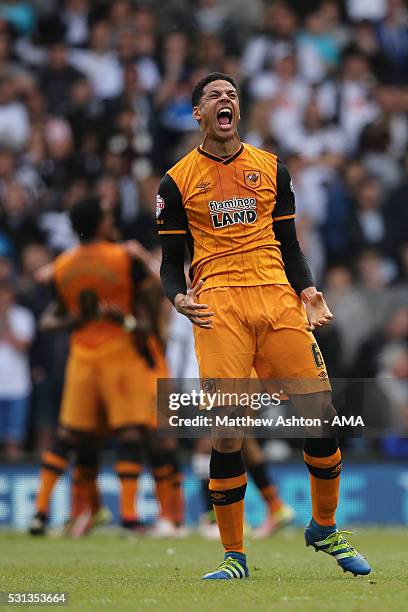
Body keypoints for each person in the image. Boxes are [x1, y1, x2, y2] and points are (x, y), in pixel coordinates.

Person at [157, 72, 371, 580]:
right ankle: (234, 556)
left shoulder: (272, 168)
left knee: (320, 414)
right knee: (228, 432)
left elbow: (290, 245)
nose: (226, 99)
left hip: (277, 299)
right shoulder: (176, 181)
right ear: (198, 114)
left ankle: (324, 527)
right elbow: (170, 263)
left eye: (231, 93)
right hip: (219, 308)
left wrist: (309, 289)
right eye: (215, 95)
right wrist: (178, 297)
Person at [29, 196, 161, 535]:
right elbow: (154, 297)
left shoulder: (63, 265)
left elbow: (51, 319)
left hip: (82, 358)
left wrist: (74, 319)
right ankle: (130, 517)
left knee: (69, 434)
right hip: (121, 354)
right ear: (101, 224)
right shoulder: (124, 257)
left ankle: (40, 512)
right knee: (130, 432)